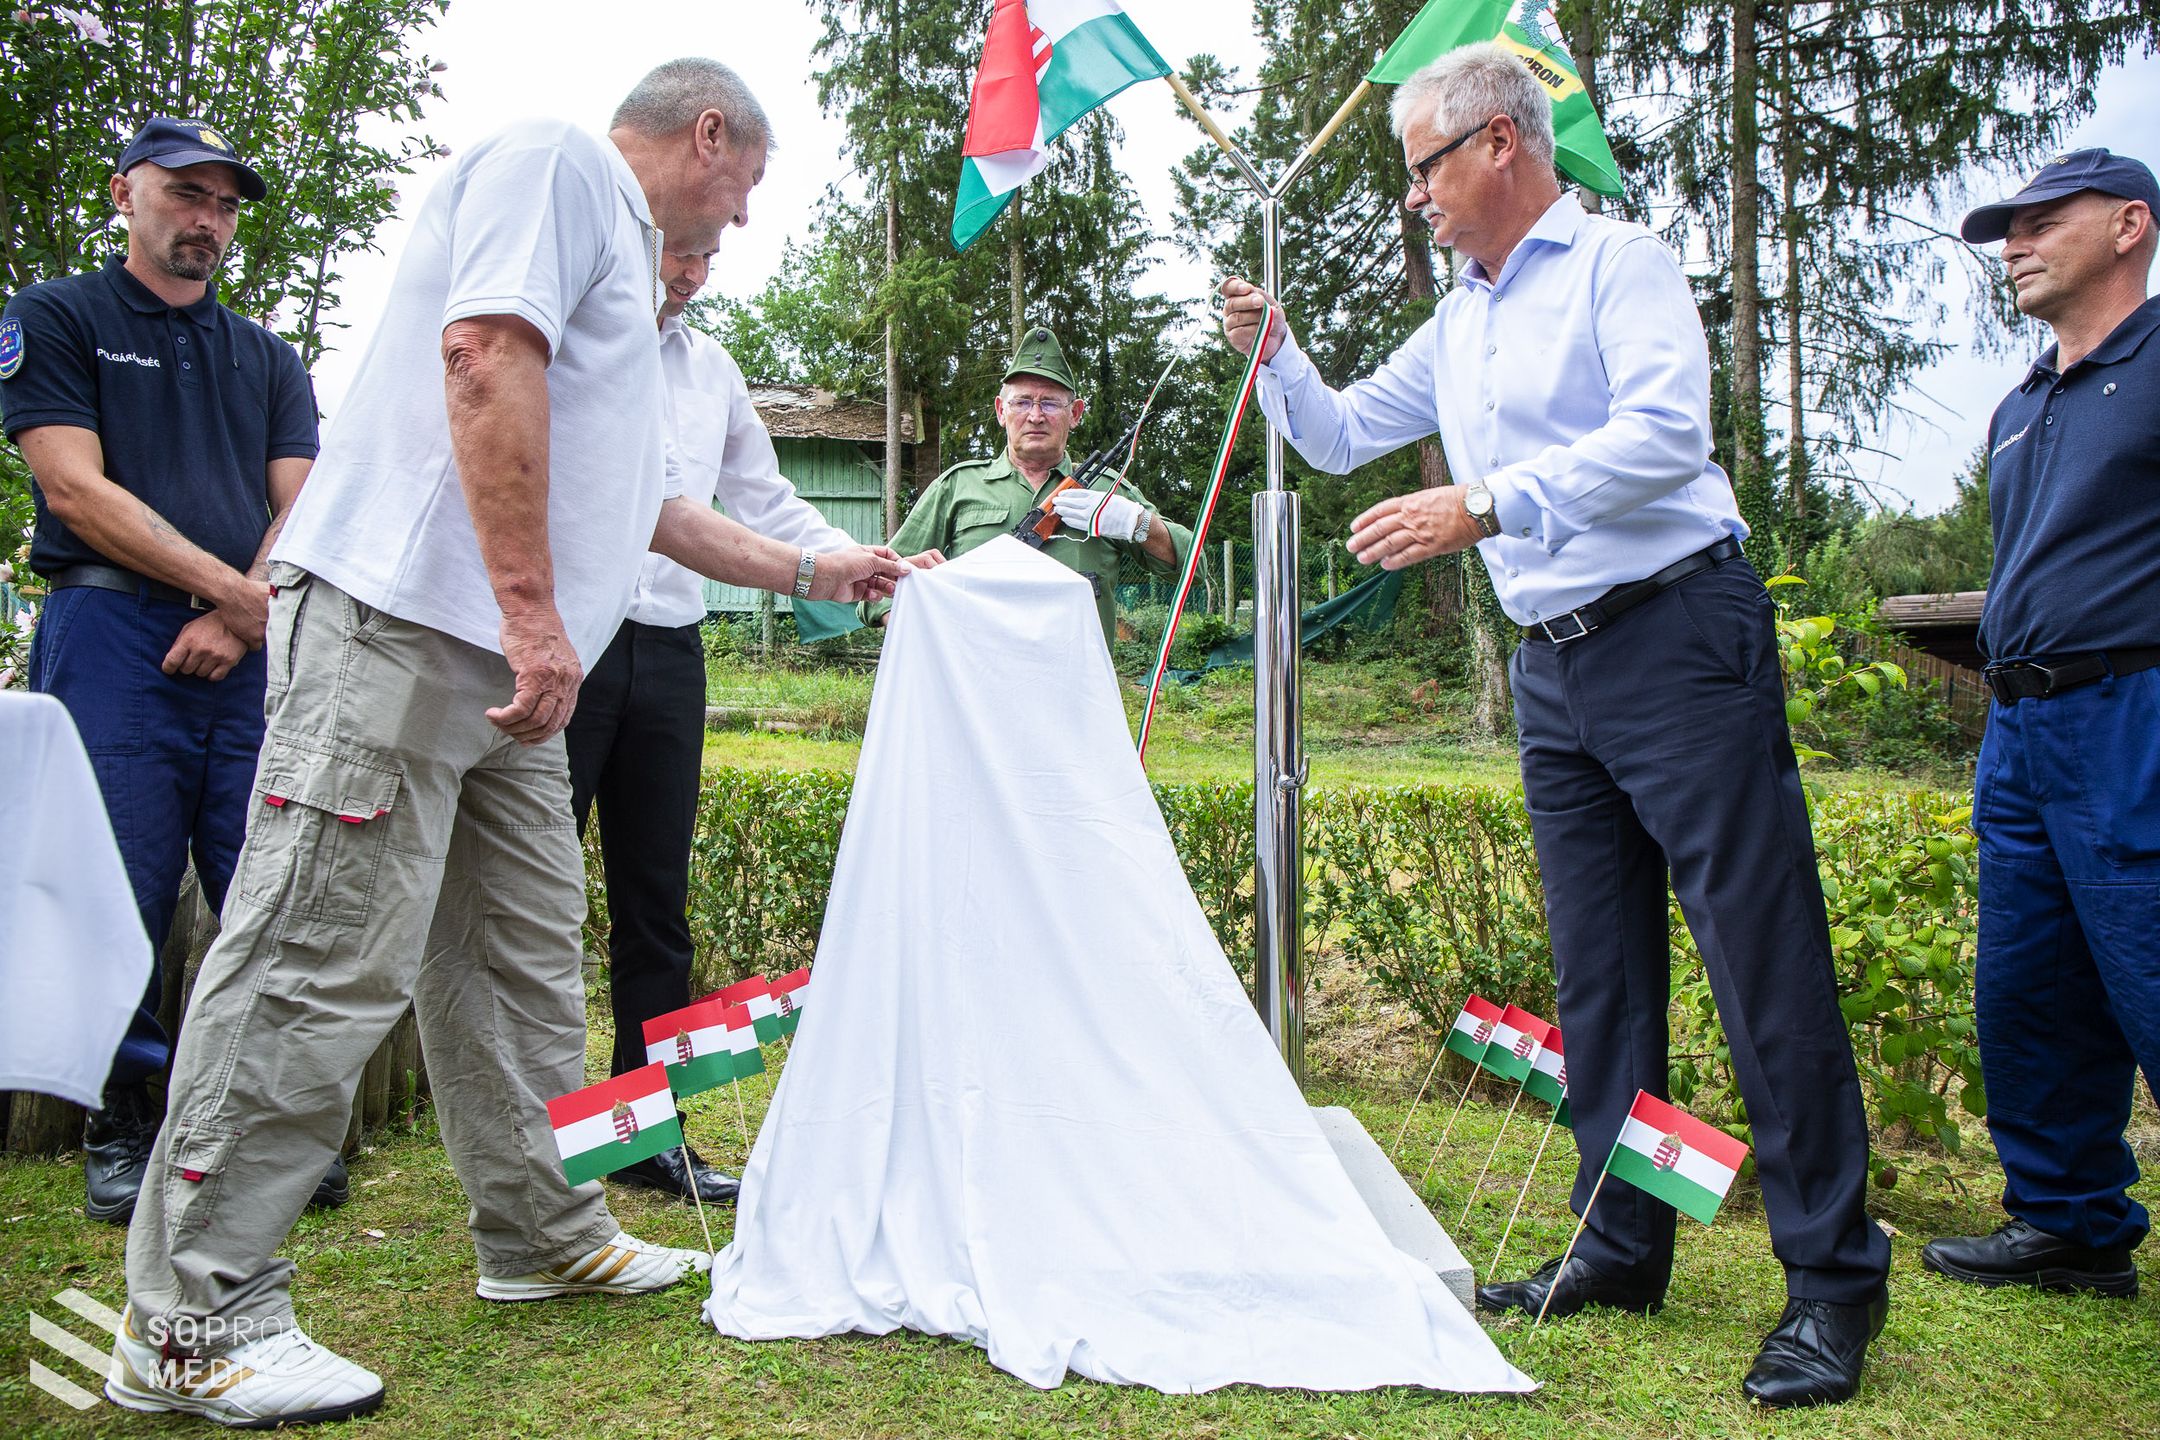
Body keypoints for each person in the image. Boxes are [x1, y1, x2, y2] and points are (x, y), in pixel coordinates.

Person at [106, 60, 908, 1428]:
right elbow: (482, 357)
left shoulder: (628, 286)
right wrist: (537, 619)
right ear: (706, 132)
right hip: (407, 624)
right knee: (315, 949)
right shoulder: (559, 166)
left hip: (510, 671)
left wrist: (818, 572)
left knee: (522, 955)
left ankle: (543, 1229)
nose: (745, 218)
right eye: (750, 183)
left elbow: (652, 506)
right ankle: (192, 1315)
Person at [1219, 45, 1890, 1408]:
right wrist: (1278, 355)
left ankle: (1832, 1284)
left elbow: (1665, 436)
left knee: (1761, 964)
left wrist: (1485, 503)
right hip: (1558, 666)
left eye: (1424, 167)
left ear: (1500, 148)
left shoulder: (1616, 268)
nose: (1415, 198)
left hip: (1676, 637)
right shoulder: (1460, 319)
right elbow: (1343, 433)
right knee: (1602, 977)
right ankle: (1620, 1241)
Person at [0, 116, 346, 1224]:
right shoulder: (57, 317)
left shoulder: (268, 355)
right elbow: (74, 490)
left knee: (263, 878)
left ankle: (251, 1124)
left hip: (248, 652)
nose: (207, 218)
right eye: (185, 194)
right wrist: (236, 595)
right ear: (125, 196)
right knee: (119, 882)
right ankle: (124, 1121)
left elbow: (306, 503)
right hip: (108, 638)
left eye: (226, 203)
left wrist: (241, 622)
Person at [564, 244, 941, 1205]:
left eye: (705, 258)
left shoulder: (712, 369)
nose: (690, 272)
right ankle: (524, 1140)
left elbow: (766, 499)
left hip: (670, 646)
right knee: (530, 899)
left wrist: (862, 556)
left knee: (657, 907)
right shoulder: (573, 336)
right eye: (676, 253)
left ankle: (646, 1137)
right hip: (571, 636)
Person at [1919, 150, 2159, 1301]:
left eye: (2037, 222)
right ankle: (2069, 1221)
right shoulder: (2021, 404)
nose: (2011, 244)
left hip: (2137, 713)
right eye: (2003, 230)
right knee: (2032, 985)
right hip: (2024, 731)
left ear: (2128, 226)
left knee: (2150, 963)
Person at [863, 326, 1190, 647]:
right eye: (1022, 402)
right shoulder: (958, 487)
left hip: (1075, 691)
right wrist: (918, 629)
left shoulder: (1107, 491)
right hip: (972, 689)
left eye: (1049, 403)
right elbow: (878, 586)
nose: (1035, 416)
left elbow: (1193, 566)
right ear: (1001, 411)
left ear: (1075, 414)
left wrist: (1138, 523)